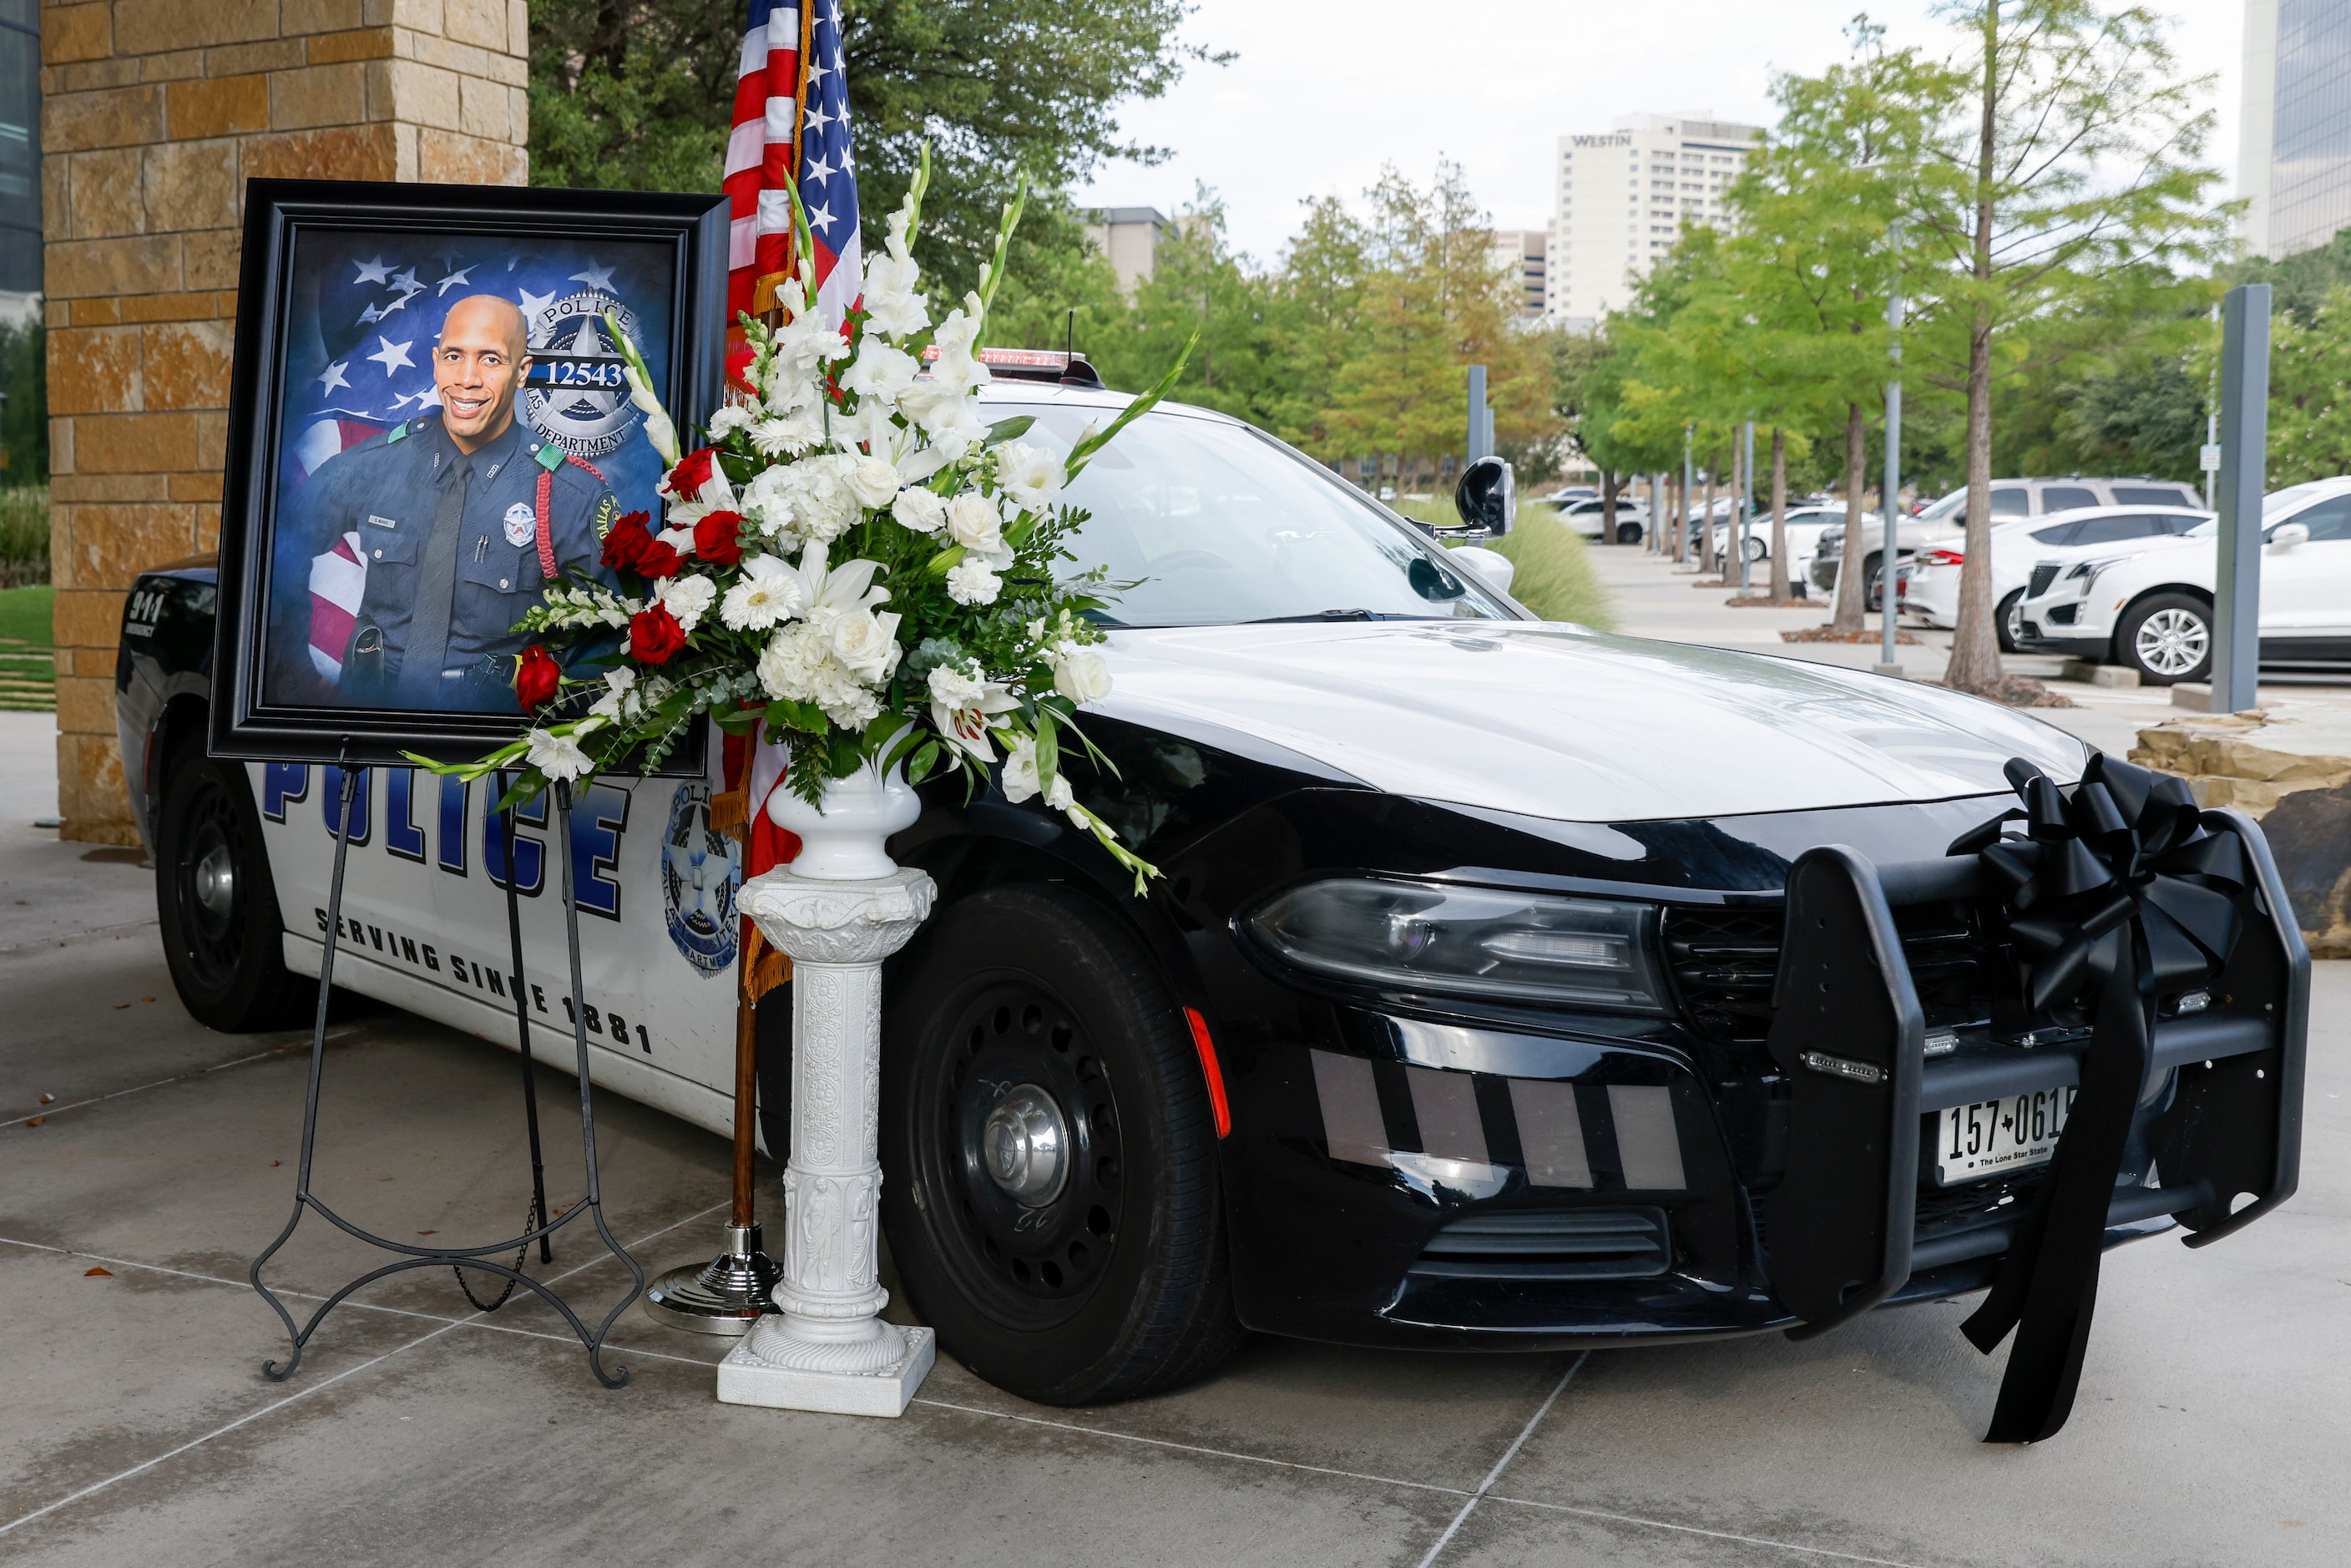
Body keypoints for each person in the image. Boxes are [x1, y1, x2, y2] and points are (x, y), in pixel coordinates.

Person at [294, 295, 621, 710]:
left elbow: (612, 639)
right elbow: (273, 552)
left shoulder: (571, 497)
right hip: (369, 723)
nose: (466, 378)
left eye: (490, 359)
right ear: (435, 361)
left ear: (522, 372)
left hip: (492, 742)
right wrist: (296, 674)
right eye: (454, 356)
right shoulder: (372, 466)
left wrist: (551, 718)